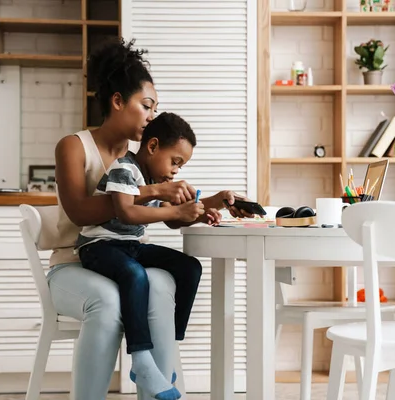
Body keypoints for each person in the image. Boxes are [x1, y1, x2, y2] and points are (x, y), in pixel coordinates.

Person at [47, 37, 255, 400]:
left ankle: (161, 381)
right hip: (76, 263)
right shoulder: (73, 146)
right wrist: (156, 192)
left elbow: (167, 215)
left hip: (125, 253)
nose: (152, 117)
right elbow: (79, 212)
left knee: (162, 285)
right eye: (146, 106)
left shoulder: (139, 162)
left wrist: (212, 203)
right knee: (109, 302)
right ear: (117, 102)